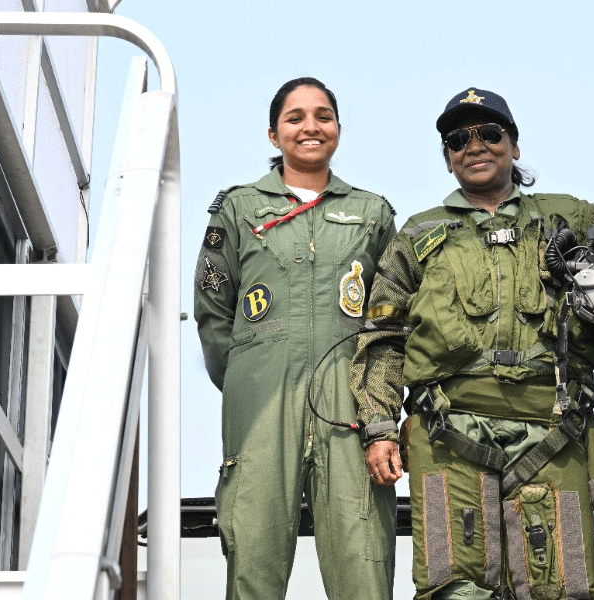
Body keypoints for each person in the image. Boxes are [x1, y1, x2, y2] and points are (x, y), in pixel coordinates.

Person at [350, 87, 594, 600]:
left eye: (490, 133)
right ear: (447, 159)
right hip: (447, 431)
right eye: (458, 139)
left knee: (562, 586)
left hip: (553, 428)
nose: (476, 146)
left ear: (513, 144)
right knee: (453, 587)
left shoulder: (569, 219)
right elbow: (382, 339)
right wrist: (379, 427)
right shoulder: (417, 236)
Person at [194, 77, 398, 600]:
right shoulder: (238, 210)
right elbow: (213, 312)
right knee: (253, 561)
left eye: (323, 116)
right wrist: (250, 379)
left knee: (364, 562)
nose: (311, 126)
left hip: (350, 410)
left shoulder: (372, 213)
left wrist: (379, 409)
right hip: (261, 407)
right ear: (272, 133)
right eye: (295, 117)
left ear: (338, 129)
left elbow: (392, 318)